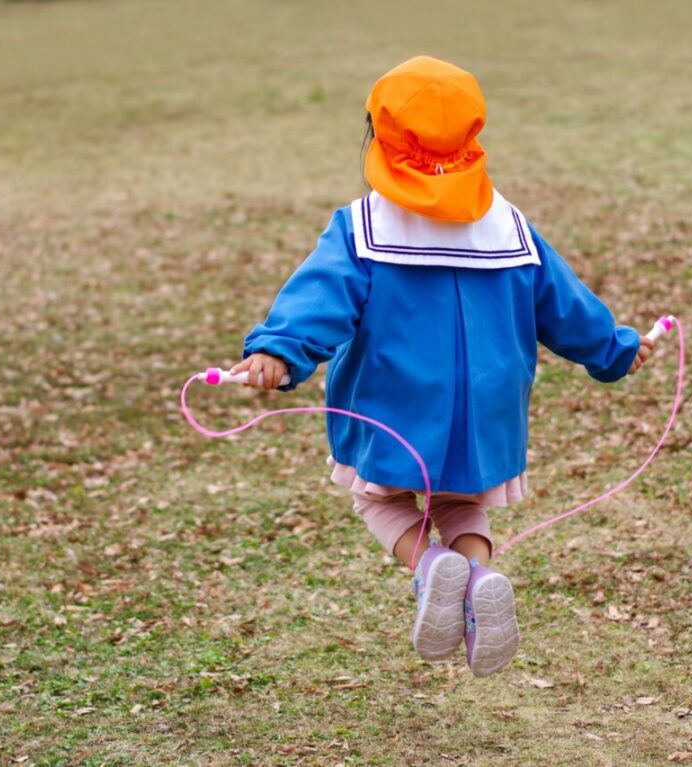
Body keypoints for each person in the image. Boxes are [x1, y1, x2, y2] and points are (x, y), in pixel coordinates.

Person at [231, 56, 654, 677]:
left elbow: (318, 299)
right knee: (460, 501)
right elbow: (565, 305)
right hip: (488, 414)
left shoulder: (363, 227)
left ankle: (431, 569)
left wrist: (278, 351)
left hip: (395, 405)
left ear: (380, 137)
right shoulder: (508, 226)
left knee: (380, 500)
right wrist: (614, 348)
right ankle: (478, 574)